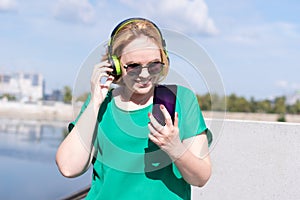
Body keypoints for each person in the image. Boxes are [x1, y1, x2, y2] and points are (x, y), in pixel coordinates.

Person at [56, 17, 212, 200]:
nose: (145, 75)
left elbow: (200, 177)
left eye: (154, 64)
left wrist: (175, 148)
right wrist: (96, 101)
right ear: (115, 65)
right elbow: (69, 167)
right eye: (133, 66)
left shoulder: (181, 100)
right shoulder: (101, 103)